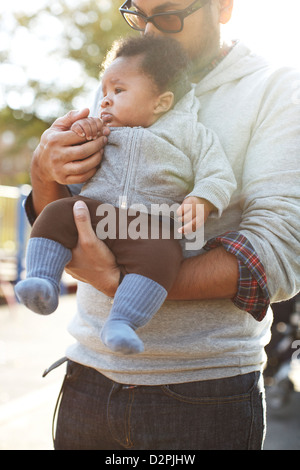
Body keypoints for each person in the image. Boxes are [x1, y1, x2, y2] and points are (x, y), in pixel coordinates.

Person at [24, 0, 300, 450]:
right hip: (86, 376)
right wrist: (43, 170)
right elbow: (74, 209)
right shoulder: (123, 79)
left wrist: (125, 281)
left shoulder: (276, 88)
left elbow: (281, 251)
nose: (151, 34)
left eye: (169, 14)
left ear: (223, 7)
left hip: (204, 392)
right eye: (138, 14)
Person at [15, 36, 236, 355]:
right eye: (104, 92)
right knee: (56, 212)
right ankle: (41, 280)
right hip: (97, 217)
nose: (105, 100)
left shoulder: (190, 133)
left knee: (166, 255)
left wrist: (202, 199)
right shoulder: (99, 133)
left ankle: (122, 322)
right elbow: (73, 179)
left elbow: (218, 172)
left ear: (161, 102)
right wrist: (72, 150)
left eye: (118, 91)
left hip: (149, 228)